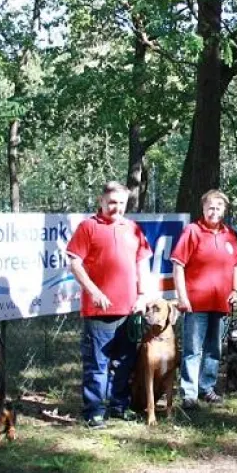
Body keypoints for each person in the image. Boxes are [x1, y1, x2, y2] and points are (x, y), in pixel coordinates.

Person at [66, 181, 154, 428]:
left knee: (124, 363)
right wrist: (93, 291)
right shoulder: (88, 227)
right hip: (99, 311)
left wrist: (143, 295)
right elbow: (75, 263)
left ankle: (119, 406)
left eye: (121, 203)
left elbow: (142, 264)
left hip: (129, 310)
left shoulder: (133, 228)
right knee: (97, 364)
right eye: (112, 202)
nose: (116, 208)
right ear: (101, 201)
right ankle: (94, 410)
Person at [171, 189, 237, 409]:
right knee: (194, 349)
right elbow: (177, 265)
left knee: (214, 349)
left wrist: (235, 289)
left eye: (218, 207)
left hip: (221, 303)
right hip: (196, 303)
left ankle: (207, 388)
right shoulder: (192, 231)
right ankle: (189, 394)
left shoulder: (228, 234)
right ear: (203, 208)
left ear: (224, 210)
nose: (214, 212)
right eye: (210, 207)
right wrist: (182, 297)